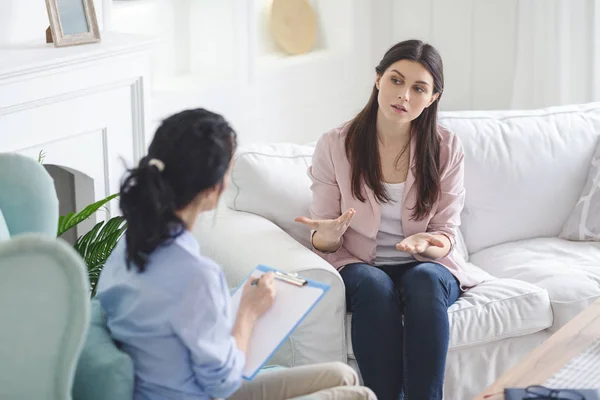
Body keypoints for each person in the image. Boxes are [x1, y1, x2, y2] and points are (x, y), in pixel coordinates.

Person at [95, 109, 376, 400]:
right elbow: (224, 382)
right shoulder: (196, 274)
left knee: (344, 375)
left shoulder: (129, 244)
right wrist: (248, 311)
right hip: (203, 392)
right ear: (213, 190)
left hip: (175, 382)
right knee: (361, 395)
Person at [295, 40, 484, 400]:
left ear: (432, 97)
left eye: (418, 88)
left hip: (426, 263)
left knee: (426, 281)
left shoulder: (446, 147)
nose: (404, 96)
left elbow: (446, 229)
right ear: (378, 79)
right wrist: (329, 234)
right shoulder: (336, 145)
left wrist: (430, 244)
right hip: (359, 263)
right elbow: (322, 238)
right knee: (373, 285)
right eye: (396, 80)